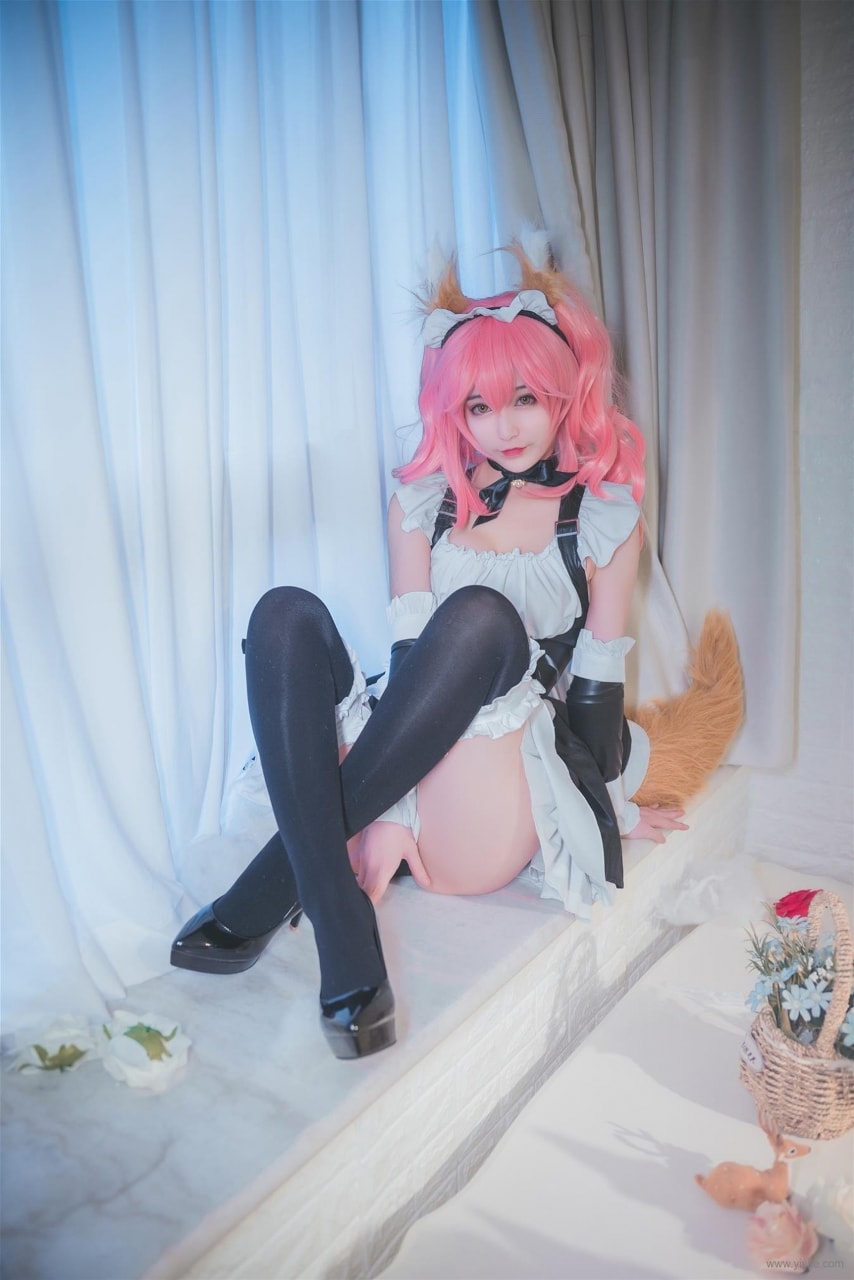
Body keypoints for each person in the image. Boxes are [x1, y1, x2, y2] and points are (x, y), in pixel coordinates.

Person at [171, 246, 702, 1061]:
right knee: (282, 615)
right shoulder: (425, 502)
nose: (504, 427)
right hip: (398, 764)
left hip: (487, 785)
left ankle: (272, 885)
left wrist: (609, 813)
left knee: (481, 618)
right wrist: (390, 813)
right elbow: (409, 667)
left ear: (564, 392)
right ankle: (342, 924)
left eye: (524, 399)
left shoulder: (600, 518)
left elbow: (596, 689)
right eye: (480, 407)